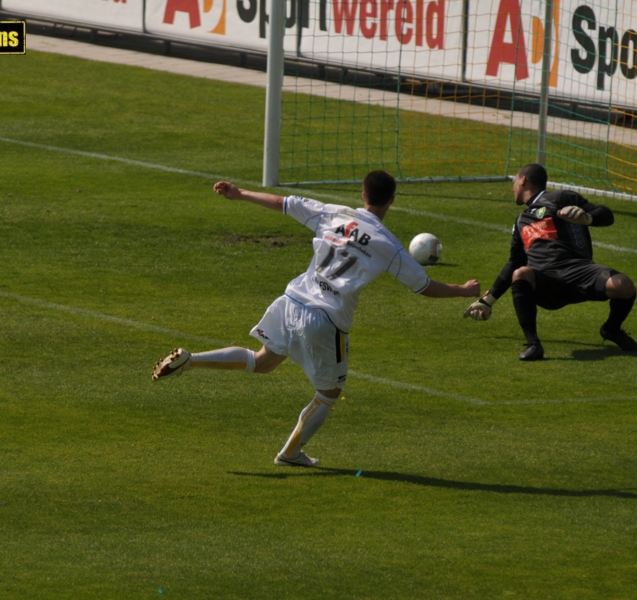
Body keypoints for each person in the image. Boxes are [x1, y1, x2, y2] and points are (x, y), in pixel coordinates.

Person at [152, 170, 480, 467]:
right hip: (326, 319)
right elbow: (424, 287)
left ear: (362, 194)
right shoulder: (388, 246)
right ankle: (290, 453)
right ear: (391, 201)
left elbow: (283, 203)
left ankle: (192, 361)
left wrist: (240, 194)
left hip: (293, 300)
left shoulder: (333, 213)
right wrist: (464, 291)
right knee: (328, 394)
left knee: (263, 361)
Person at [463, 163, 637, 361]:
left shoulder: (561, 198)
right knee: (521, 273)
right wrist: (488, 300)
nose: (513, 187)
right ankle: (534, 345)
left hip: (579, 271)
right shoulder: (521, 220)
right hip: (546, 283)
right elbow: (514, 262)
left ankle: (611, 330)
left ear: (523, 180)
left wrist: (588, 218)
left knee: (624, 285)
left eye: (514, 181)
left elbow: (606, 214)